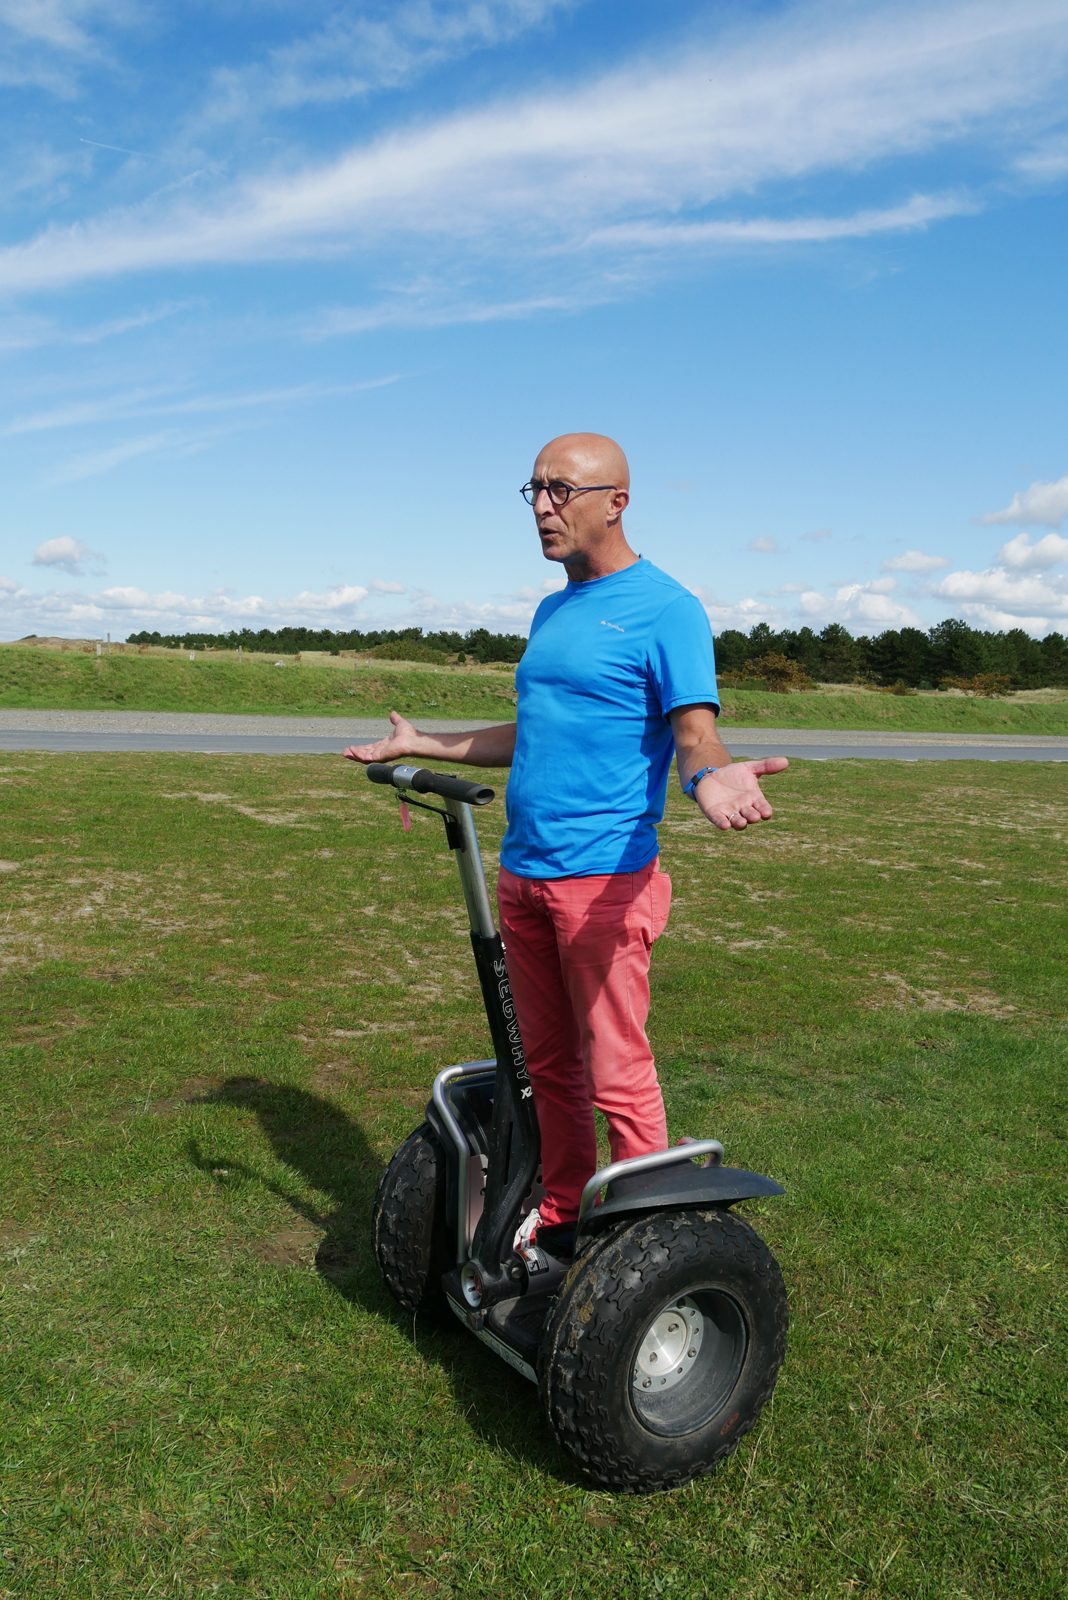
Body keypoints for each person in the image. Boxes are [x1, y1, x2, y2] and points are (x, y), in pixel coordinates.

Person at [345, 433, 787, 1246]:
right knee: (547, 1066)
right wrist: (424, 744)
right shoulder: (553, 609)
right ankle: (562, 1218)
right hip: (524, 873)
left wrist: (709, 776)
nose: (542, 508)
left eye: (561, 490)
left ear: (616, 502)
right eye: (535, 490)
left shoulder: (668, 609)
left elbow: (695, 731)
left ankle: (642, 1239)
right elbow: (537, 731)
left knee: (616, 1070)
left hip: (604, 881)